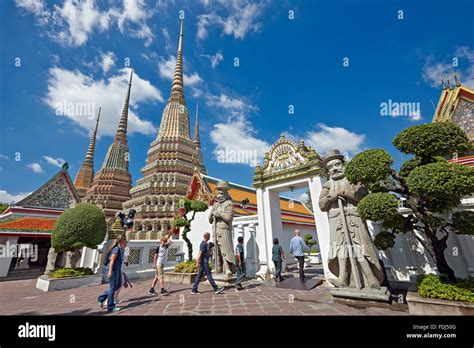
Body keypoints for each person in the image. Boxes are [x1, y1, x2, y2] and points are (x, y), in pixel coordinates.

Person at [98, 235, 126, 312]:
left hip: (117, 270)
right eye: (125, 240)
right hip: (113, 270)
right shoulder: (116, 249)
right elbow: (112, 261)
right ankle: (110, 307)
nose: (126, 242)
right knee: (112, 288)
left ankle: (101, 298)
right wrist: (110, 271)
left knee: (118, 285)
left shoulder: (120, 249)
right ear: (121, 241)